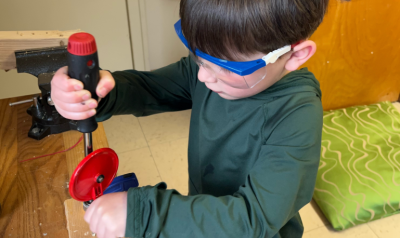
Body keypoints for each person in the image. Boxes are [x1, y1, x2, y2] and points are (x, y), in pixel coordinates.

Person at [52, 0, 329, 237]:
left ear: (294, 55)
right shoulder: (213, 73)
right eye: (198, 56)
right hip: (203, 223)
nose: (203, 76)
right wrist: (99, 93)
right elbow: (152, 88)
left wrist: (147, 214)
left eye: (224, 66)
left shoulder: (297, 116)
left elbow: (252, 219)